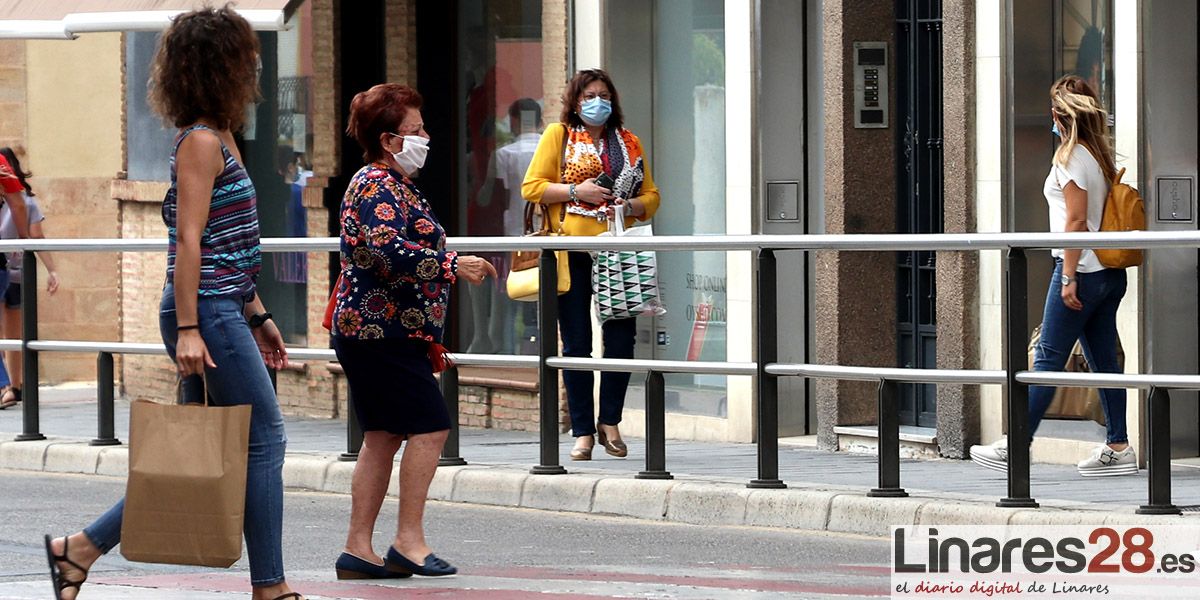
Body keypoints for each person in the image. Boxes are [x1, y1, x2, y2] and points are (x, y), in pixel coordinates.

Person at [43, 8, 304, 600]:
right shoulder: (200, 144)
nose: (255, 65)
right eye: (246, 56)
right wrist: (190, 328)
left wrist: (258, 313)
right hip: (203, 313)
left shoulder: (225, 136)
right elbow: (188, 240)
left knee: (197, 452)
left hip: (222, 306)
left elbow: (229, 242)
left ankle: (76, 551)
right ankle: (272, 587)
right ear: (220, 67)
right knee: (265, 439)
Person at [331, 83, 496, 579]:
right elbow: (382, 250)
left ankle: (359, 549)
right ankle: (408, 541)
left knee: (382, 436)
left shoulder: (394, 184)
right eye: (416, 130)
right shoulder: (376, 186)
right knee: (430, 425)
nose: (426, 136)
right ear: (389, 139)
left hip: (385, 332)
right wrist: (450, 264)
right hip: (379, 333)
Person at [970, 75, 1133, 477]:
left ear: (1059, 115)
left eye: (1053, 112)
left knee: (1046, 360)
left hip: (1082, 270)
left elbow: (1076, 222)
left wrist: (1069, 276)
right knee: (1103, 363)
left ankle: (1017, 444)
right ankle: (1118, 445)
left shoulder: (1072, 157)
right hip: (1106, 273)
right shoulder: (1097, 157)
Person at [521, 69, 660, 461]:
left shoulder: (629, 142)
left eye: (603, 95)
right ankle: (581, 430)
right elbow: (531, 187)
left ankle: (610, 422)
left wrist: (630, 205)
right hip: (572, 251)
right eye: (588, 96)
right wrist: (573, 191)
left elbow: (652, 194)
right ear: (576, 102)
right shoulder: (559, 135)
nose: (597, 102)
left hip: (618, 250)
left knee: (620, 340)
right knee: (577, 342)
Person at [0, 147, 61, 409]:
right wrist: (51, 269)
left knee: (5, 335)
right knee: (14, 333)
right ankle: (15, 386)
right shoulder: (27, 201)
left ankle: (5, 387)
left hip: (3, 268)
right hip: (17, 272)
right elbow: (36, 237)